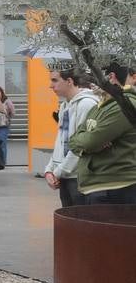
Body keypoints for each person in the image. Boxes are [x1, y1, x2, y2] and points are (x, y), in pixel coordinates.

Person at [68, 63, 136, 204]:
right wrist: (85, 142)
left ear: (110, 77)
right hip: (100, 186)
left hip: (115, 187)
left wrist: (86, 142)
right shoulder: (101, 105)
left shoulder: (123, 104)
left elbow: (89, 142)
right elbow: (73, 140)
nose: (89, 83)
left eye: (92, 78)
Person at [44, 69, 100, 208]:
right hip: (65, 175)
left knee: (80, 224)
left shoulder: (86, 104)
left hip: (80, 177)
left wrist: (57, 172)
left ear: (69, 81)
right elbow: (61, 140)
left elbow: (80, 144)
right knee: (69, 224)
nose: (51, 86)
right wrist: (49, 169)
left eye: (55, 80)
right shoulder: (65, 105)